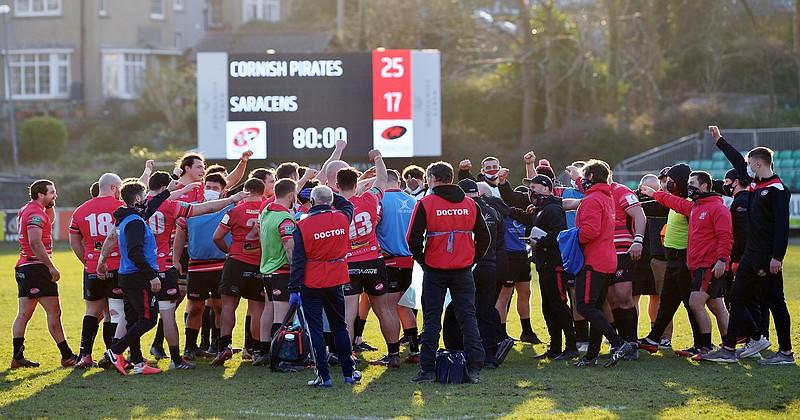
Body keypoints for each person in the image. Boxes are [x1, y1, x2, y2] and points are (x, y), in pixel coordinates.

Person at [704, 125, 793, 365]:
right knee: (736, 296)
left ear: (758, 163)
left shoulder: (777, 190)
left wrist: (777, 257)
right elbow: (735, 158)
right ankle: (729, 349)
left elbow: (781, 228)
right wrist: (719, 140)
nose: (747, 166)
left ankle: (786, 352)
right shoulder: (754, 183)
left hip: (766, 257)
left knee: (775, 302)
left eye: (749, 162)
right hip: (749, 255)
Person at [407, 161, 490, 384]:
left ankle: (427, 370)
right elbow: (485, 237)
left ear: (432, 179)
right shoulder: (471, 204)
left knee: (432, 319)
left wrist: (423, 261)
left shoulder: (426, 203)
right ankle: (474, 368)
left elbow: (412, 240)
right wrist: (472, 259)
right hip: (463, 270)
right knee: (468, 318)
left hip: (435, 270)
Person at [641, 171, 733, 359]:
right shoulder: (694, 207)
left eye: (693, 182)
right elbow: (674, 202)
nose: (689, 186)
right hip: (696, 265)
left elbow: (726, 237)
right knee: (715, 305)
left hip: (708, 265)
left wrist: (722, 259)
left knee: (696, 302)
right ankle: (728, 347)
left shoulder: (717, 208)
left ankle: (707, 347)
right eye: (688, 181)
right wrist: (654, 194)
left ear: (705, 186)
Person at [289, 186, 360, 387]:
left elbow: (298, 261)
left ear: (311, 202)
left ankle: (324, 376)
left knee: (316, 330)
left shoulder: (302, 225)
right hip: (336, 278)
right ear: (330, 201)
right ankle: (348, 372)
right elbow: (346, 203)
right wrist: (330, 192)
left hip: (311, 281)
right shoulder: (343, 217)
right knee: (340, 327)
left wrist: (293, 288)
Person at [337, 150, 401, 367]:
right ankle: (394, 355)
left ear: (337, 185)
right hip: (373, 260)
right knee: (384, 309)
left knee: (348, 312)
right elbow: (382, 180)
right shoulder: (369, 197)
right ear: (357, 184)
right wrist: (379, 158)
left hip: (348, 263)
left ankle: (347, 357)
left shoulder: (334, 206)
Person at [572, 160, 635, 367]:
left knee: (585, 306)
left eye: (584, 176)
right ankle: (592, 355)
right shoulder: (607, 197)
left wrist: (571, 237)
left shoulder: (592, 199)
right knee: (596, 307)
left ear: (590, 177)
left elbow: (590, 231)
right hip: (608, 258)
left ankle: (617, 341)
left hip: (594, 260)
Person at [105, 179, 171, 375]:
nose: (146, 199)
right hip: (137, 277)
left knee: (133, 320)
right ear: (137, 199)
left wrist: (168, 190)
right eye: (144, 196)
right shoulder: (134, 222)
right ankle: (115, 351)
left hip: (128, 275)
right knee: (149, 319)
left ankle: (137, 363)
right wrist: (152, 276)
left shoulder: (128, 216)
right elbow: (135, 253)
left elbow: (152, 205)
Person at [638, 164, 704, 357]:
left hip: (683, 258)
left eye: (671, 181)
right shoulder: (677, 200)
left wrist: (657, 194)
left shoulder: (688, 203)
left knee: (689, 303)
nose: (668, 184)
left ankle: (701, 343)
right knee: (667, 302)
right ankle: (654, 338)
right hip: (673, 258)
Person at [12, 179, 78, 369]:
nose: (55, 195)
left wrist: (50, 205)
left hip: (25, 267)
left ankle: (17, 357)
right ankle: (67, 356)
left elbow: (49, 220)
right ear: (40, 194)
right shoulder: (34, 213)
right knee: (54, 312)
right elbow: (35, 242)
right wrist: (50, 266)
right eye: (51, 192)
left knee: (24, 314)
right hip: (36, 268)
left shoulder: (29, 209)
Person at [172, 173, 233, 359]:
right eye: (209, 187)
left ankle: (220, 345)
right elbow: (181, 235)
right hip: (197, 265)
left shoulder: (230, 209)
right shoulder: (193, 210)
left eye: (215, 188)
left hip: (222, 264)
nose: (211, 191)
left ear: (224, 191)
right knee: (195, 307)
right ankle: (190, 347)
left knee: (220, 306)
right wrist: (175, 259)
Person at [442, 179, 502, 368]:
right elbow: (497, 240)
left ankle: (456, 351)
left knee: (456, 311)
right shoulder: (492, 211)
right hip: (490, 266)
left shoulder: (464, 211)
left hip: (468, 266)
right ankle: (489, 355)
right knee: (485, 310)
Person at [69, 173, 124, 369]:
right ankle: (112, 356)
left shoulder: (81, 210)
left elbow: (74, 240)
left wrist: (86, 259)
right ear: (115, 188)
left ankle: (85, 355)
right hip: (117, 266)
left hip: (92, 266)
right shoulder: (121, 207)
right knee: (113, 313)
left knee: (91, 311)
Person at [211, 178, 267, 366]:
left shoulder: (234, 210)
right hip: (260, 263)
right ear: (262, 192)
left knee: (229, 305)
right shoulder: (267, 209)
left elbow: (217, 237)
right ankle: (257, 350)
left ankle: (225, 345)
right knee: (257, 309)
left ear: (245, 190)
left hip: (237, 261)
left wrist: (230, 251)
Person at [520, 175, 576, 360]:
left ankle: (571, 346)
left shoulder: (552, 208)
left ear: (546, 188)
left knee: (559, 306)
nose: (531, 192)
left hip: (554, 265)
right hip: (544, 265)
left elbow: (558, 234)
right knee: (548, 307)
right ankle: (555, 347)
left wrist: (540, 242)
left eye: (534, 188)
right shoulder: (540, 209)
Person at [376, 169, 420, 363]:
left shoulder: (379, 202)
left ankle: (393, 354)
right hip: (412, 261)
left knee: (390, 308)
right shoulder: (413, 201)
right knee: (405, 307)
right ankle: (414, 351)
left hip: (390, 261)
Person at [253, 178, 298, 366]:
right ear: (291, 195)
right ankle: (279, 356)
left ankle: (264, 351)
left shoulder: (266, 211)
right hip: (281, 271)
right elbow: (289, 247)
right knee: (281, 314)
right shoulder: (285, 218)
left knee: (268, 310)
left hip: (267, 270)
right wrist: (297, 271)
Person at [636, 173, 672, 349]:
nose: (649, 193)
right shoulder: (634, 202)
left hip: (659, 257)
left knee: (659, 297)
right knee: (632, 296)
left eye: (654, 190)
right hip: (637, 257)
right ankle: (629, 335)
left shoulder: (666, 202)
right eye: (645, 190)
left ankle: (662, 335)